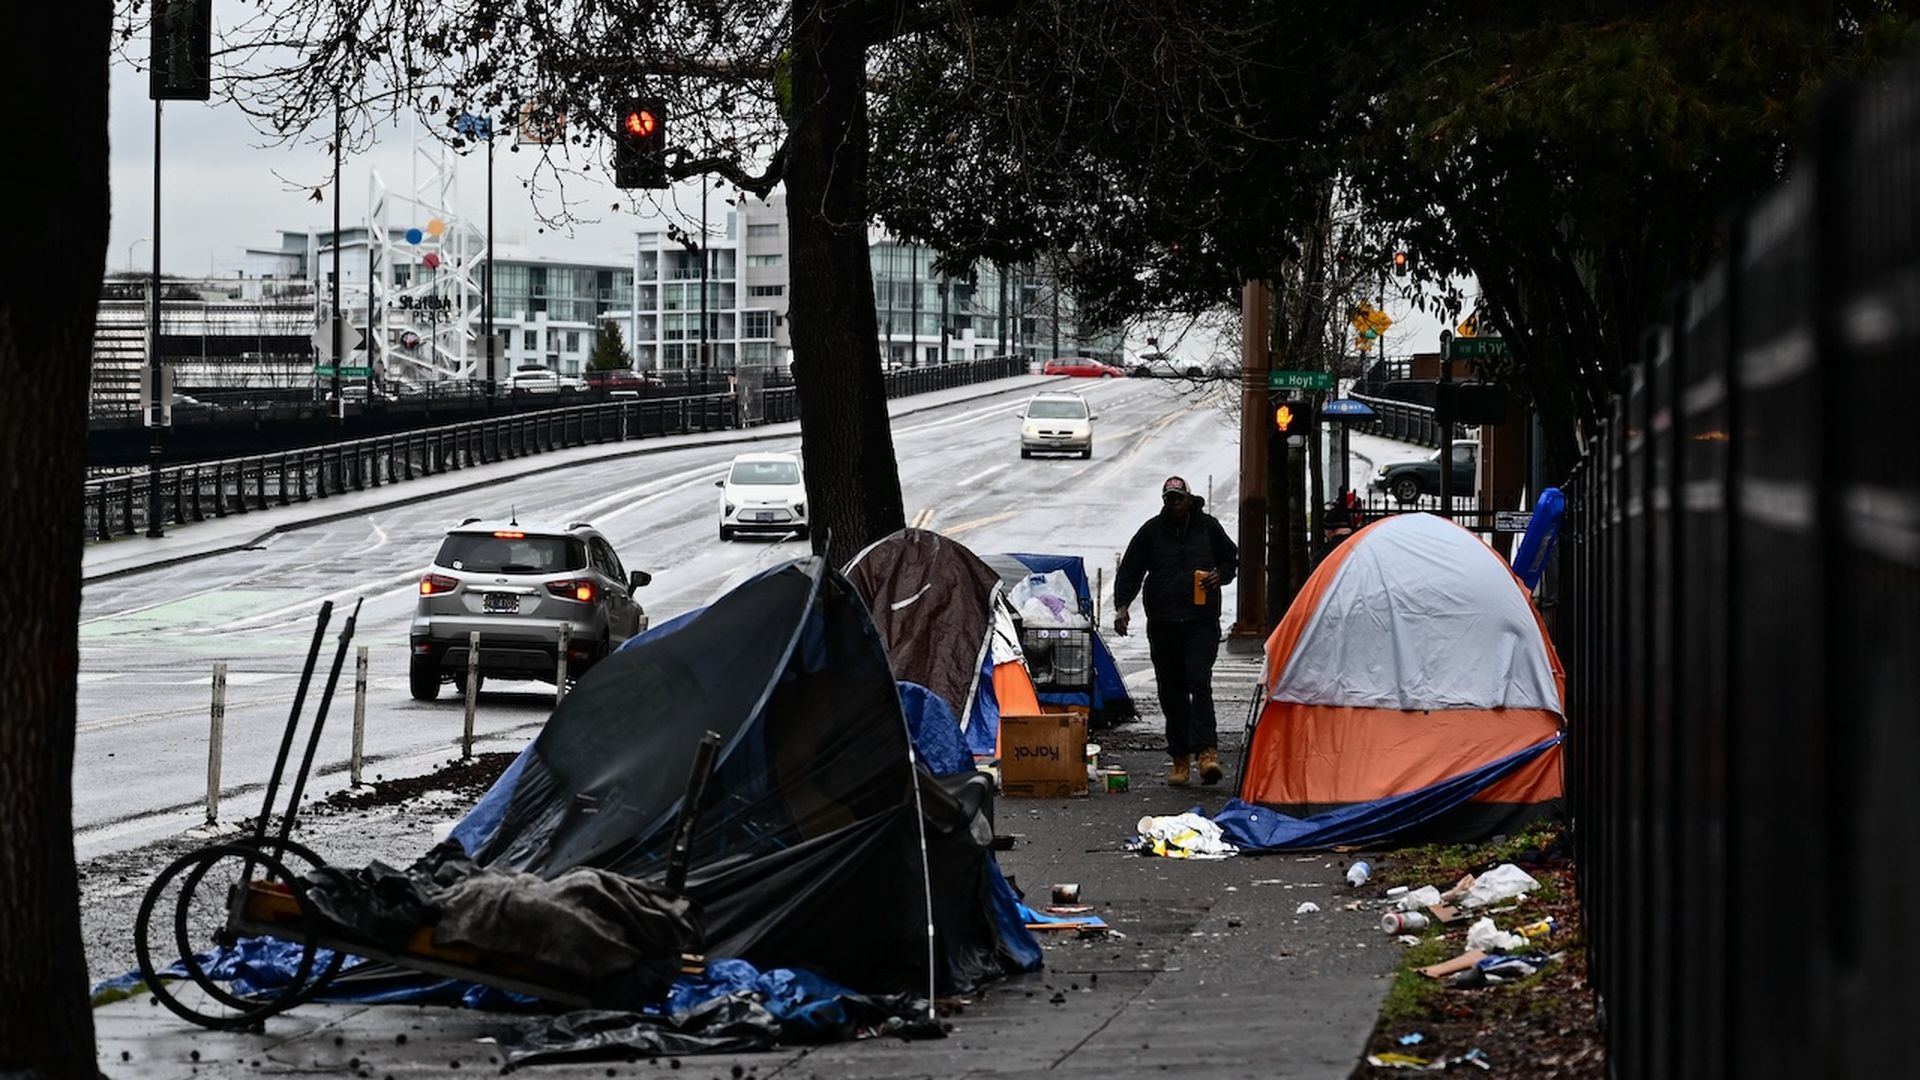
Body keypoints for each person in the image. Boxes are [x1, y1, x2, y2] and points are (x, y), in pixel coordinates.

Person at [1112, 476, 1239, 786]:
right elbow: (1131, 569)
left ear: (1189, 498)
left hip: (1201, 621)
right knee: (1172, 692)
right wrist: (1122, 606)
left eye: (1179, 498)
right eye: (1169, 498)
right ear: (1164, 501)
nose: (1175, 503)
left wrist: (1218, 575)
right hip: (1165, 621)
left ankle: (1207, 753)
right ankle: (1180, 758)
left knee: (1199, 683)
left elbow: (1230, 559)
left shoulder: (1208, 527)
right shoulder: (1152, 531)